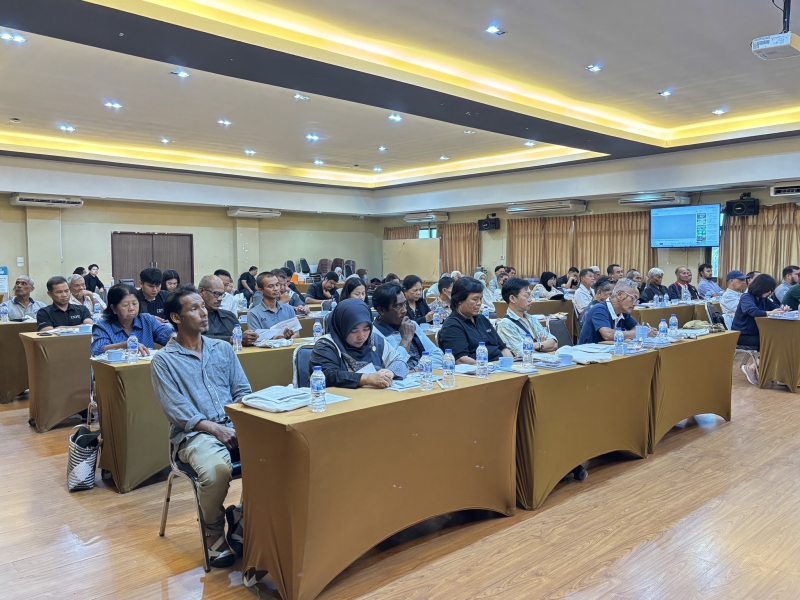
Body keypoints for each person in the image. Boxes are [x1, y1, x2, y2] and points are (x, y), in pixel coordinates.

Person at [151, 285, 250, 568]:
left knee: (274, 458)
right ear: (176, 318)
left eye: (202, 307)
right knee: (217, 471)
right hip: (194, 434)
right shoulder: (164, 361)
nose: (204, 313)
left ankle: (243, 516)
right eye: (194, 309)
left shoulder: (223, 349)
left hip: (234, 425)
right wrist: (216, 429)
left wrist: (242, 423)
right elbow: (176, 410)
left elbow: (243, 391)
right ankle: (213, 529)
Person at [309, 298, 409, 388]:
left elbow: (400, 361)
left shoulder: (375, 340)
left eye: (366, 329)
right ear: (342, 327)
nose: (361, 336)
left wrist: (390, 372)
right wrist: (367, 378)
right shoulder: (326, 345)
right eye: (353, 330)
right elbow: (328, 375)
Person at [438, 277, 513, 364]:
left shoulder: (482, 319)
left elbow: (503, 349)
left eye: (480, 299)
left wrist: (511, 365)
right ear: (459, 300)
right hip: (479, 369)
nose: (479, 303)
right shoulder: (452, 325)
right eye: (475, 299)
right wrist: (487, 367)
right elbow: (461, 360)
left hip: (499, 366)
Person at [372, 283, 443, 370]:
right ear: (381, 310)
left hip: (422, 374)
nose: (404, 310)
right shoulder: (374, 335)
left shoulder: (411, 324)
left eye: (405, 304)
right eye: (398, 306)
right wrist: (406, 339)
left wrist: (416, 369)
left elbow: (437, 354)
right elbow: (394, 369)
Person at [91, 284, 175, 356]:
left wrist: (173, 336)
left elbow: (166, 333)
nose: (131, 308)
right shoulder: (102, 326)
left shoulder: (147, 320)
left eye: (135, 303)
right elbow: (98, 349)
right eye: (125, 305)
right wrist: (125, 346)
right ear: (113, 308)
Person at [732, 275, 787, 385]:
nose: (770, 292)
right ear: (760, 287)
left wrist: (782, 308)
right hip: (743, 335)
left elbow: (775, 307)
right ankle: (752, 368)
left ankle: (779, 373)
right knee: (775, 343)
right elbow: (752, 311)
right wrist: (771, 313)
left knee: (782, 341)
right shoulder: (746, 297)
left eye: (771, 290)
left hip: (757, 334)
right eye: (768, 290)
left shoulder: (763, 299)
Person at [495, 277, 558, 357]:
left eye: (530, 296)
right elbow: (523, 353)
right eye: (526, 296)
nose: (530, 300)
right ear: (512, 299)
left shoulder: (532, 319)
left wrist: (538, 345)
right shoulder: (505, 325)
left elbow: (554, 344)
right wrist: (543, 345)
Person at [577, 278, 643, 344]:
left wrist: (635, 333)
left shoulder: (623, 312)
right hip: (588, 350)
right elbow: (608, 335)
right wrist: (635, 334)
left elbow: (639, 328)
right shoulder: (599, 309)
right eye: (633, 298)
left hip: (608, 349)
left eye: (637, 300)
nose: (635, 304)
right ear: (619, 295)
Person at [198, 275, 258, 346]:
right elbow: (193, 339)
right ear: (201, 291)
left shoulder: (229, 316)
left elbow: (242, 337)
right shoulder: (191, 317)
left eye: (222, 295)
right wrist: (230, 339)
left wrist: (249, 337)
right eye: (216, 294)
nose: (220, 299)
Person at [247, 272, 298, 339]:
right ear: (261, 290)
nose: (276, 289)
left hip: (288, 344)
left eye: (277, 285)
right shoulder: (253, 313)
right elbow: (255, 338)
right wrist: (274, 339)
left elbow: (297, 334)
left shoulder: (289, 309)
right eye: (271, 286)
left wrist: (286, 339)